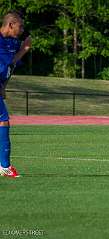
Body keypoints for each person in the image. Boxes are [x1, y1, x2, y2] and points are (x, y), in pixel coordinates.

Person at [0, 11, 32, 178]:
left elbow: (10, 67)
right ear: (10, 25)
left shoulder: (12, 43)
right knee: (3, 121)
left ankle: (5, 165)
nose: (22, 30)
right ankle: (4, 166)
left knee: (3, 120)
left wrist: (25, 49)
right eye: (20, 26)